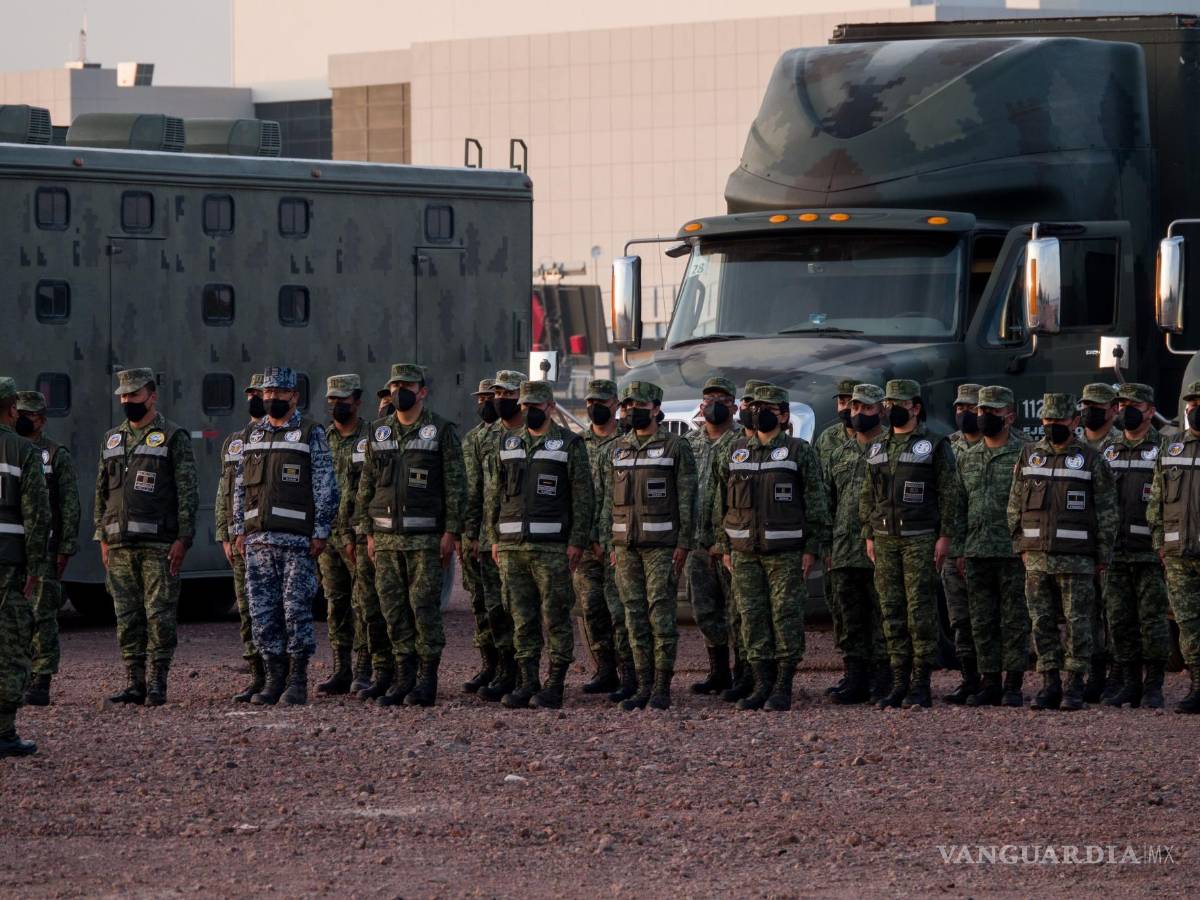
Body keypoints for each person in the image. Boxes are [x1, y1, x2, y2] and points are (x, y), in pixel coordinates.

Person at [713, 384, 829, 711]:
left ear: (784, 415)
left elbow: (816, 502)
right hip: (744, 552)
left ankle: (783, 684)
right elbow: (720, 502)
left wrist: (811, 548)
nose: (761, 412)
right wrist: (723, 545)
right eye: (757, 406)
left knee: (785, 616)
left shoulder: (798, 451)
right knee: (751, 617)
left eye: (770, 408)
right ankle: (761, 682)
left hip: (786, 552)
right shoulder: (735, 450)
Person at [357, 363, 465, 707]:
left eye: (407, 385)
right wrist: (368, 531)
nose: (399, 391)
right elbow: (367, 485)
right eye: (394, 386)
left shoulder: (441, 430)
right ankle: (403, 678)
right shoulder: (378, 432)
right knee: (393, 610)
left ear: (422, 391)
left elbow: (455, 485)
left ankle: (426, 679)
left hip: (425, 540)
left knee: (423, 608)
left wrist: (451, 531)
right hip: (386, 539)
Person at [231, 367, 338, 706]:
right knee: (263, 614)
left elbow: (325, 485)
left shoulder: (310, 432)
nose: (272, 398)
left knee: (295, 610)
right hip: (258, 542)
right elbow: (239, 486)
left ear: (294, 396)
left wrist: (321, 530)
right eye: (267, 393)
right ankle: (273, 678)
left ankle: (297, 679)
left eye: (279, 393)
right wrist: (238, 529)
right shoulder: (252, 435)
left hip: (297, 543)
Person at [485, 380, 592, 708]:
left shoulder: (569, 444)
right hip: (512, 546)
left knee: (555, 616)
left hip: (552, 548)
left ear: (548, 407)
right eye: (525, 406)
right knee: (521, 616)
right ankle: (527, 681)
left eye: (535, 406)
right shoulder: (507, 442)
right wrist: (493, 537)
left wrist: (577, 540)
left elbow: (583, 496)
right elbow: (495, 494)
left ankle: (555, 684)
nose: (529, 411)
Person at [1008, 393, 1117, 711]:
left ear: (1074, 421)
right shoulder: (1029, 455)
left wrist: (1102, 555)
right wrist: (1020, 546)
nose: (1052, 425)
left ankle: (1074, 686)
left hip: (1077, 558)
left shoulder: (1092, 459)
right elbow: (1014, 504)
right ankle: (1049, 684)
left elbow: (1107, 511)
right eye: (1047, 420)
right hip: (1037, 557)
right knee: (1041, 622)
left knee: (1078, 622)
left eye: (1059, 420)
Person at [95, 368, 198, 706]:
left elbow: (187, 490)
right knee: (127, 617)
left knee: (159, 615)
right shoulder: (113, 439)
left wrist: (184, 538)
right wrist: (103, 539)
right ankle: (134, 682)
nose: (128, 401)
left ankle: (157, 682)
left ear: (151, 396)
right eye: (123, 396)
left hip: (159, 544)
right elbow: (101, 493)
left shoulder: (172, 436)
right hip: (120, 545)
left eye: (134, 395)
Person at [859, 378, 962, 709]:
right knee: (891, 610)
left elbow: (950, 492)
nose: (891, 410)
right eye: (887, 404)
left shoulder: (934, 444)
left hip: (920, 538)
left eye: (898, 404)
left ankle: (920, 683)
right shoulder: (877, 447)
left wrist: (945, 536)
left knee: (920, 611)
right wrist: (869, 534)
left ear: (915, 407)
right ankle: (899, 681)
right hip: (886, 539)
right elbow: (868, 495)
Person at [600, 381, 697, 711]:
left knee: (660, 614)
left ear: (655, 408)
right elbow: (606, 503)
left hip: (661, 546)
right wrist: (610, 543)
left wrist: (683, 543)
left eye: (638, 405)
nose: (631, 410)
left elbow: (687, 498)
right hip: (625, 547)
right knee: (634, 616)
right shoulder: (617, 448)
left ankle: (661, 686)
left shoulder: (675, 446)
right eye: (626, 406)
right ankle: (641, 684)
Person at [954, 386, 1029, 707]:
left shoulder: (1026, 453)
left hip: (1013, 552)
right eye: (981, 411)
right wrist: (958, 548)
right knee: (981, 621)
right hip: (976, 551)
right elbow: (957, 507)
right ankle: (988, 682)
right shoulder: (967, 457)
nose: (983, 417)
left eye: (992, 412)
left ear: (1009, 416)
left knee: (1014, 621)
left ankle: (1013, 684)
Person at [320, 374, 390, 695]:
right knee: (335, 602)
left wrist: (362, 531)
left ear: (357, 402)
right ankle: (341, 668)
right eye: (332, 400)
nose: (337, 406)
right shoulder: (323, 437)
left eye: (343, 401)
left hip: (359, 535)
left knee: (364, 602)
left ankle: (364, 669)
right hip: (328, 533)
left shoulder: (371, 436)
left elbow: (373, 487)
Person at [1101, 383, 1169, 708]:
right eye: (1121, 403)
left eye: (1133, 404)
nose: (1125, 409)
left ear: (1150, 411)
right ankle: (1129, 683)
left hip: (1150, 550)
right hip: (1116, 551)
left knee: (1153, 620)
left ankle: (1153, 685)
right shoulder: (1108, 450)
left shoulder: (1165, 449)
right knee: (1119, 619)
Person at [14, 390, 79, 707]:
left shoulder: (55, 454)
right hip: (13, 549)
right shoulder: (9, 450)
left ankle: (41, 680)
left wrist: (65, 547)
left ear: (40, 419)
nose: (21, 419)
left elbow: (69, 504)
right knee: (15, 617)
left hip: (45, 550)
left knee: (43, 617)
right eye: (18, 413)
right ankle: (19, 676)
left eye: (27, 414)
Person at [824, 383, 889, 705]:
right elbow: (826, 501)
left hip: (881, 546)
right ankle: (855, 677)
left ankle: (883, 678)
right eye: (855, 408)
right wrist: (825, 546)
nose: (858, 413)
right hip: (844, 548)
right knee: (848, 617)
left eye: (866, 408)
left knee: (883, 616)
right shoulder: (839, 453)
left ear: (881, 410)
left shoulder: (891, 447)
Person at [0, 377, 51, 757]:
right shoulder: (22, 451)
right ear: (12, 408)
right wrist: (35, 566)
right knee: (12, 647)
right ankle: (3, 732)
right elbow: (36, 515)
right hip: (9, 565)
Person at [469, 369, 526, 702]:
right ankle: (503, 669)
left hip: (518, 535)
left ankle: (522, 672)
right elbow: (477, 489)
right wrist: (472, 532)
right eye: (495, 395)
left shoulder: (531, 434)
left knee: (518, 606)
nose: (497, 401)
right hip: (490, 535)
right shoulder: (485, 437)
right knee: (493, 606)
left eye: (506, 394)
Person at [684, 376, 741, 696]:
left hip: (732, 542)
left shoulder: (742, 443)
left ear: (733, 405)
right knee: (704, 609)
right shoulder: (689, 443)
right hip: (696, 541)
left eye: (721, 399)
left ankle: (744, 673)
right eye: (708, 400)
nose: (714, 405)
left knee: (738, 610)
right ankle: (718, 672)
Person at [573, 379, 629, 697]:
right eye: (591, 401)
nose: (596, 407)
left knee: (619, 609)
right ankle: (604, 669)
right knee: (591, 607)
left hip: (616, 540)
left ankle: (628, 671)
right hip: (585, 541)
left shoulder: (627, 442)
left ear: (615, 405)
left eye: (603, 401)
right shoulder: (577, 443)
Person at [1148, 380, 1200, 714]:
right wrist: (1160, 546)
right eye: (1193, 402)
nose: (1197, 408)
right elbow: (1156, 503)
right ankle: (1197, 684)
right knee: (1189, 624)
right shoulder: (1172, 449)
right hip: (1179, 553)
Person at [216, 374, 265, 702]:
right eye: (251, 393)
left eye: (260, 393)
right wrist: (224, 533)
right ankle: (257, 673)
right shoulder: (235, 440)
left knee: (275, 609)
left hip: (269, 535)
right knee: (247, 608)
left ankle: (281, 672)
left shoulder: (285, 436)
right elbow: (225, 490)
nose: (255, 398)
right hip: (240, 539)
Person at [813, 377, 859, 694]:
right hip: (838, 541)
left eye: (851, 402)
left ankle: (879, 673)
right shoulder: (828, 441)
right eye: (841, 402)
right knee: (841, 608)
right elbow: (820, 493)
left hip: (870, 539)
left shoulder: (881, 441)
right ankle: (851, 670)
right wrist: (822, 540)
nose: (845, 408)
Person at [1077, 382, 1120, 701]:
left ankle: (1117, 675)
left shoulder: (1123, 443)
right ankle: (1093, 673)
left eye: (1097, 405)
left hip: (1115, 542)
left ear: (1113, 409)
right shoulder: (1072, 445)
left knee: (1114, 611)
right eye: (1085, 405)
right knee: (1085, 612)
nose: (1089, 411)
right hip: (1077, 543)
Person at [942, 383, 983, 704]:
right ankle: (969, 678)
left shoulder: (1012, 447)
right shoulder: (947, 448)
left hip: (989, 547)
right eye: (959, 408)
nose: (963, 414)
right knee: (960, 618)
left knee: (991, 616)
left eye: (970, 408)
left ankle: (994, 679)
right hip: (954, 547)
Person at [460, 378, 500, 693]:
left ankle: (507, 667)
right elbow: (469, 492)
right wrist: (468, 533)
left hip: (501, 535)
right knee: (480, 602)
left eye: (490, 397)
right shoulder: (472, 438)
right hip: (477, 536)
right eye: (481, 397)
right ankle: (489, 663)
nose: (484, 403)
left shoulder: (509, 437)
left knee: (504, 605)